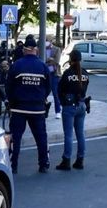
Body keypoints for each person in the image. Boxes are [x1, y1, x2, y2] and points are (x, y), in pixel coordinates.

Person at [5, 35, 50, 174]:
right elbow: (48, 87)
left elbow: (8, 87)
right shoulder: (43, 66)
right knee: (41, 137)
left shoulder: (16, 65)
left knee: (15, 137)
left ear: (24, 49)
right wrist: (41, 98)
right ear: (36, 50)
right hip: (37, 109)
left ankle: (13, 166)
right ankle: (43, 164)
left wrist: (11, 102)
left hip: (18, 108)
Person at [55, 49, 90, 171]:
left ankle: (66, 160)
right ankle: (80, 160)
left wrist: (62, 102)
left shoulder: (68, 73)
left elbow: (60, 89)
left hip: (69, 106)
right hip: (82, 105)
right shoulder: (85, 73)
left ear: (71, 59)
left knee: (68, 135)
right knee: (80, 134)